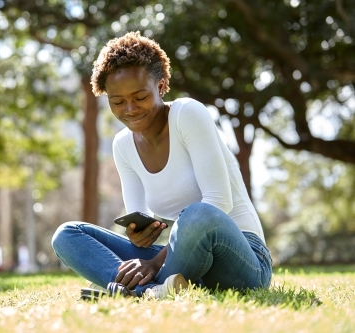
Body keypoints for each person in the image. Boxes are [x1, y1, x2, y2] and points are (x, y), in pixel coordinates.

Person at [51, 31, 272, 299]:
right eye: (117, 102)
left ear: (161, 85)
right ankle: (148, 292)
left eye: (140, 97)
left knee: (197, 214)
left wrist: (156, 263)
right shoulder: (123, 145)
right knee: (68, 235)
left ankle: (132, 290)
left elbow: (219, 202)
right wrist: (139, 236)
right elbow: (138, 217)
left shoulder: (187, 114)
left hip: (242, 258)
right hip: (183, 263)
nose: (130, 109)